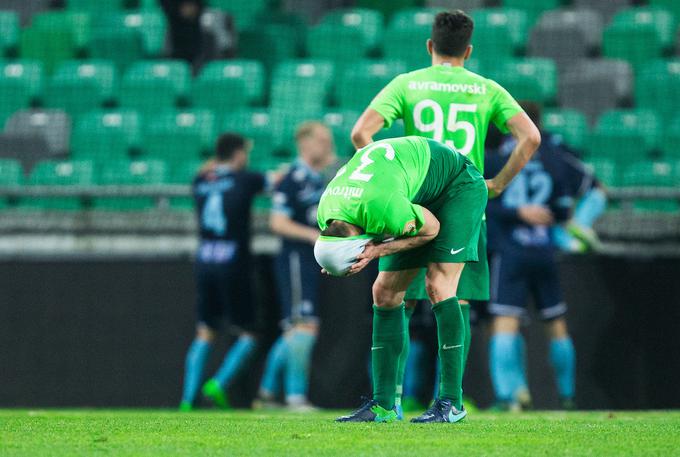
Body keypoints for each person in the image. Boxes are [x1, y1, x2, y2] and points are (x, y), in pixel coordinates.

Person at [349, 10, 540, 414]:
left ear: (429, 46)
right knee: (452, 298)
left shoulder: (407, 83)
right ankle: (420, 402)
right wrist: (498, 184)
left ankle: (430, 402)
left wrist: (388, 179)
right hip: (466, 204)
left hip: (415, 203)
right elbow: (529, 137)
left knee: (396, 296)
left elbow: (361, 133)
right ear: (468, 51)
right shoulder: (484, 88)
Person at [314, 136, 488, 423]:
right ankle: (383, 406)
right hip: (412, 192)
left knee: (438, 285)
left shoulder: (383, 209)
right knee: (384, 292)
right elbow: (335, 246)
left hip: (457, 187)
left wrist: (377, 250)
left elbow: (430, 228)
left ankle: (451, 403)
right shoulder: (327, 212)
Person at [485, 102, 600, 411]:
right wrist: (570, 222)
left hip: (510, 251)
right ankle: (567, 396)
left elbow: (483, 200)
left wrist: (516, 212)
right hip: (545, 250)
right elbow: (580, 196)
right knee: (556, 324)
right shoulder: (553, 154)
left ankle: (508, 397)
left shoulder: (494, 154)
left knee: (505, 321)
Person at [179, 133, 273, 411]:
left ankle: (187, 399)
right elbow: (277, 180)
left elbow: (209, 173)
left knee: (205, 331)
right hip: (234, 263)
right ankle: (218, 383)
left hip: (205, 261)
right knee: (249, 333)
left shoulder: (200, 180)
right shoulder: (246, 179)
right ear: (238, 153)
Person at [255, 122, 337, 410]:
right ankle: (294, 396)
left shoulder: (318, 179)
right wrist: (313, 235)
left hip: (311, 261)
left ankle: (266, 394)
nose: (328, 146)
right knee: (304, 327)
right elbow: (277, 223)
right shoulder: (291, 179)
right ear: (306, 143)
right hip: (295, 260)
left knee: (296, 330)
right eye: (323, 141)